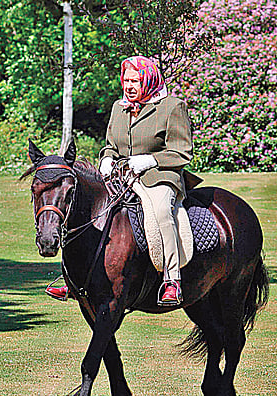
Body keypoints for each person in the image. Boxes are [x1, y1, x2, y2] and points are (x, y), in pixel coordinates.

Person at [46, 55, 193, 306]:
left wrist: (150, 160)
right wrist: (106, 158)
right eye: (126, 80)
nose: (129, 86)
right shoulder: (119, 107)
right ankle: (72, 279)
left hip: (159, 176)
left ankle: (172, 280)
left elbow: (182, 152)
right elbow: (111, 146)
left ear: (149, 80)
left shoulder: (172, 107)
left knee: (161, 212)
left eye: (135, 81)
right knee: (86, 208)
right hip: (122, 176)